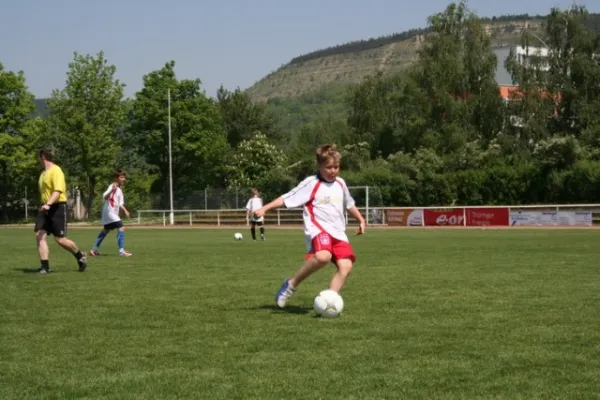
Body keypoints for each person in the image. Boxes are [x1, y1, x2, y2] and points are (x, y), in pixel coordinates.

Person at [253, 143, 366, 308]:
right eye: (328, 167)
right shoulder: (311, 183)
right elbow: (287, 198)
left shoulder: (341, 183)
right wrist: (265, 208)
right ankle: (291, 285)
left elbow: (349, 204)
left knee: (346, 266)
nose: (333, 171)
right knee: (323, 256)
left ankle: (329, 301)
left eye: (336, 167)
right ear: (319, 166)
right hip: (318, 229)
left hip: (338, 232)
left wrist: (361, 220)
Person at [34, 149, 87, 273]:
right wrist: (44, 205)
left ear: (42, 157)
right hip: (45, 208)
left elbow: (58, 191)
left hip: (57, 207)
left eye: (39, 158)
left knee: (60, 239)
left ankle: (80, 256)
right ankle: (45, 267)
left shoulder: (56, 170)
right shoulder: (43, 174)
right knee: (39, 235)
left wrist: (48, 204)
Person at [90, 169, 132, 257]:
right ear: (116, 178)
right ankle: (121, 251)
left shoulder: (119, 189)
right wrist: (112, 190)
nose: (123, 179)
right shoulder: (113, 186)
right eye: (121, 177)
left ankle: (93, 250)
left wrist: (125, 211)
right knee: (121, 227)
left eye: (124, 177)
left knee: (106, 230)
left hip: (110, 213)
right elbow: (105, 197)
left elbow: (120, 203)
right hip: (110, 212)